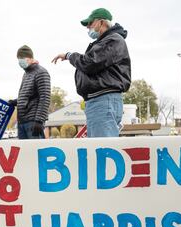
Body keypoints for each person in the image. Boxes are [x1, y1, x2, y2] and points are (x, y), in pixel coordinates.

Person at [52, 8, 131, 137]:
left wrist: (69, 55)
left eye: (90, 23)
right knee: (100, 148)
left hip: (103, 100)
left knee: (102, 149)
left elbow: (89, 63)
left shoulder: (112, 40)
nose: (88, 27)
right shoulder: (107, 41)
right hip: (100, 100)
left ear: (102, 22)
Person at [9, 45, 51, 139]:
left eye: (23, 58)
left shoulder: (41, 72)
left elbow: (45, 97)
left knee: (36, 152)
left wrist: (39, 120)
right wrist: (15, 102)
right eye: (19, 58)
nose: (20, 61)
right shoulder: (26, 74)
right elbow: (28, 96)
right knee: (25, 152)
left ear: (31, 58)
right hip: (22, 122)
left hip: (33, 122)